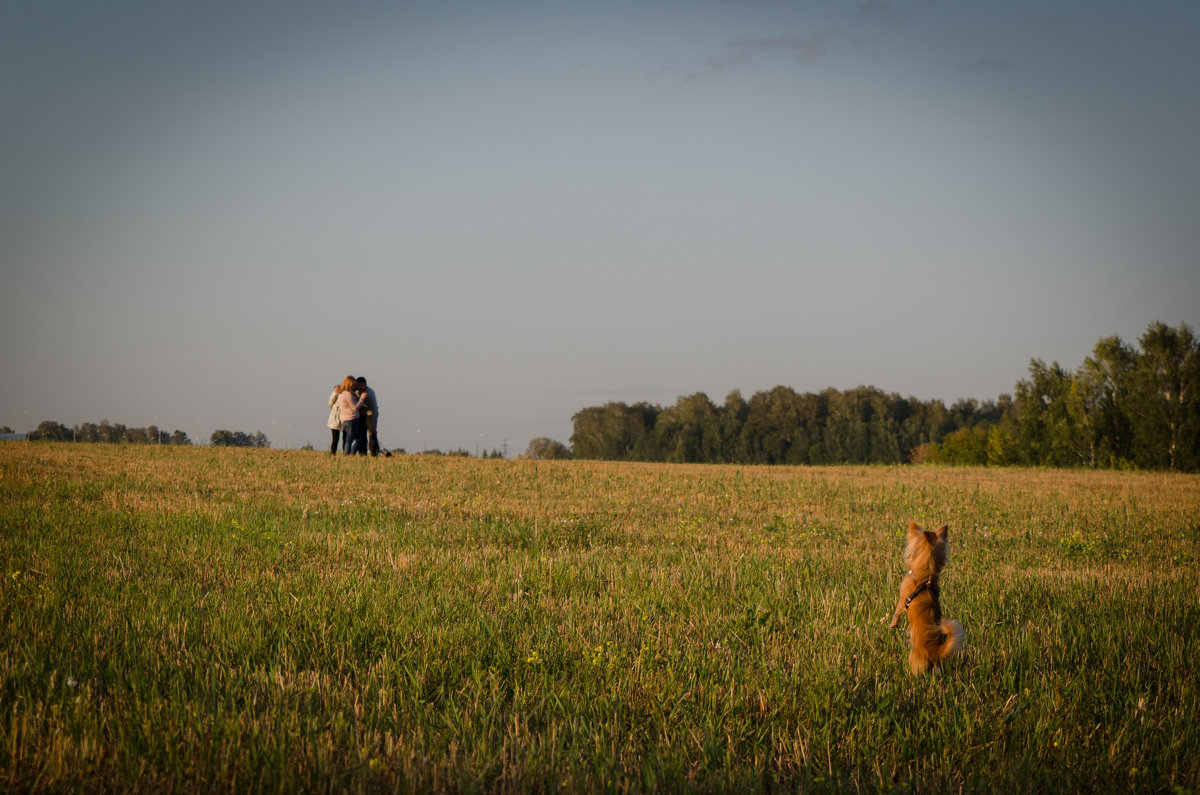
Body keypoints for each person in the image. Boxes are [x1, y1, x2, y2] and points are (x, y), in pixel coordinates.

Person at [336, 375, 367, 455]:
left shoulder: (343, 393)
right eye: (353, 385)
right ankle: (348, 456)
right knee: (350, 440)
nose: (354, 386)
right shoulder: (347, 394)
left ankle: (350, 455)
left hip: (346, 420)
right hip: (351, 419)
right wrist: (362, 398)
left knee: (357, 439)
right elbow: (354, 408)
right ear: (349, 384)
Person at [355, 376, 380, 456]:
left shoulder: (370, 394)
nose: (361, 387)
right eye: (359, 385)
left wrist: (373, 427)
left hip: (370, 414)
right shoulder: (353, 391)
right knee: (361, 436)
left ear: (365, 385)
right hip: (359, 415)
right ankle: (362, 454)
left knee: (372, 434)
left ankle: (374, 453)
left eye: (363, 385)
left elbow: (374, 410)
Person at [326, 382, 344, 454]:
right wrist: (334, 410)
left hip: (343, 418)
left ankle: (344, 453)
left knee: (344, 438)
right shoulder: (337, 392)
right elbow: (330, 403)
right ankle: (333, 453)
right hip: (335, 419)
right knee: (335, 439)